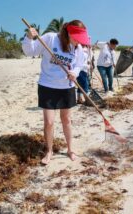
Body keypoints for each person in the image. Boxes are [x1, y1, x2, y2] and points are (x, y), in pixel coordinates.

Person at [22, 20, 90, 165]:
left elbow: (79, 65)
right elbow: (30, 51)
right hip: (47, 86)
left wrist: (74, 72)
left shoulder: (77, 48)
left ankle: (70, 149)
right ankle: (49, 151)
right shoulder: (50, 38)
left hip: (66, 87)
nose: (79, 42)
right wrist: (28, 38)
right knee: (49, 122)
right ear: (68, 33)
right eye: (77, 37)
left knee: (66, 120)